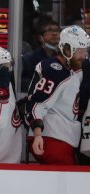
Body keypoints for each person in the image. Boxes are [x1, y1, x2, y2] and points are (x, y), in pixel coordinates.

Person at [25, 25, 89, 165]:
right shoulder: (54, 70)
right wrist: (37, 135)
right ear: (66, 49)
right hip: (52, 140)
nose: (84, 56)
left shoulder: (72, 69)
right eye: (80, 51)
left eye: (85, 51)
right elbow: (36, 104)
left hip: (64, 140)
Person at [21, 19, 60, 94]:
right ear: (40, 38)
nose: (54, 33)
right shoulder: (29, 59)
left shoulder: (64, 59)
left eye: (57, 30)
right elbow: (22, 82)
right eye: (49, 30)